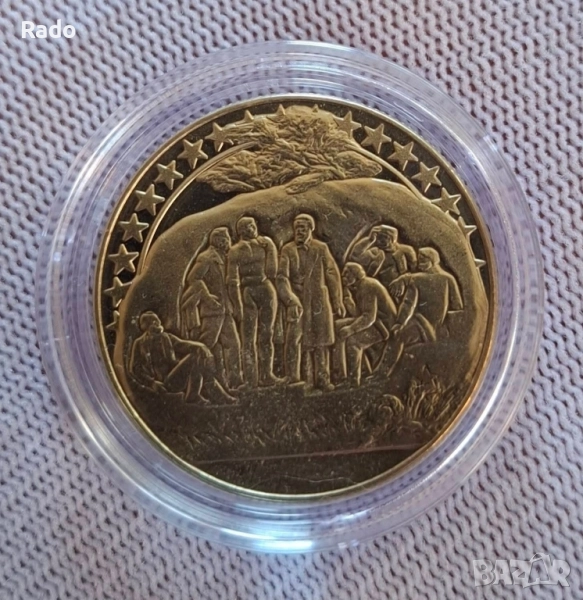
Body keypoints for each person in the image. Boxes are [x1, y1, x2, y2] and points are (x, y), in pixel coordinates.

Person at [277, 213, 345, 391]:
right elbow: (282, 278)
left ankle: (323, 379)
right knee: (300, 342)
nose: (299, 231)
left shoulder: (321, 248)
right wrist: (291, 300)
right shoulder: (287, 250)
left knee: (321, 341)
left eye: (303, 228)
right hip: (297, 302)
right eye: (296, 228)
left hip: (318, 301)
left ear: (311, 229)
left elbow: (332, 273)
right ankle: (304, 380)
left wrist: (337, 300)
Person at [180, 227, 243, 390]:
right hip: (212, 312)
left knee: (233, 345)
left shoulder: (226, 257)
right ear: (219, 241)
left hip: (225, 310)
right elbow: (193, 279)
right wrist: (207, 298)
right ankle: (188, 381)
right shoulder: (206, 258)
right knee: (205, 347)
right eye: (227, 239)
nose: (229, 242)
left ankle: (234, 382)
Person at [129, 311, 236, 404]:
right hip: (163, 383)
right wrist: (152, 383)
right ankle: (210, 396)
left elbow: (183, 345)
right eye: (153, 322)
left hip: (176, 377)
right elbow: (134, 369)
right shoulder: (139, 343)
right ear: (146, 326)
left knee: (197, 358)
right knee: (194, 358)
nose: (157, 323)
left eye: (157, 320)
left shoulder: (167, 337)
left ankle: (202, 396)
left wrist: (201, 347)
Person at [227, 216, 283, 387]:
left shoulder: (265, 244)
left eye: (253, 225)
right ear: (241, 231)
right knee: (248, 338)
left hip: (266, 288)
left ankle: (267, 375)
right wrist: (237, 305)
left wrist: (271, 248)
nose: (253, 229)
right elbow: (232, 281)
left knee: (267, 334)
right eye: (248, 226)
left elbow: (272, 271)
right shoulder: (235, 251)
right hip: (247, 292)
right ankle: (251, 380)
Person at [333, 263, 398, 386]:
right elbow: (360, 314)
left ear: (356, 274)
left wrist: (351, 329)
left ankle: (353, 381)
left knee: (353, 342)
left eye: (347, 273)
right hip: (375, 322)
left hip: (383, 327)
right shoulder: (360, 286)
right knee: (337, 326)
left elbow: (368, 317)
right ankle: (348, 373)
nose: (343, 275)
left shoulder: (367, 286)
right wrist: (349, 302)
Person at [389, 247, 463, 344]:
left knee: (397, 340)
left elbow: (408, 304)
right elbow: (457, 306)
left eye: (422, 260)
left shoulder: (417, 279)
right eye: (419, 259)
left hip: (420, 325)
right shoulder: (449, 278)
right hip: (439, 329)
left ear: (432, 260)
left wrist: (399, 323)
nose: (419, 263)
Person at [349, 224, 416, 289]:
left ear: (392, 239)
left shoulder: (406, 251)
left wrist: (403, 280)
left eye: (384, 237)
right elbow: (355, 256)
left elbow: (414, 271)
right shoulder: (375, 252)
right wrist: (370, 239)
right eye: (378, 236)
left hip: (401, 288)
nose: (379, 240)